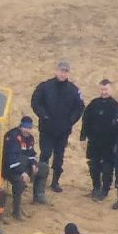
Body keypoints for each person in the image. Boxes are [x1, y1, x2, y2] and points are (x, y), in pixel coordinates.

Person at [31, 60, 84, 196]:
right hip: (47, 129)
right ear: (56, 71)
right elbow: (35, 101)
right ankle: (40, 182)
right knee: (45, 154)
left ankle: (55, 181)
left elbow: (79, 108)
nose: (62, 73)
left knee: (59, 156)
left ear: (68, 73)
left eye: (65, 71)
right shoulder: (45, 86)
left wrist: (70, 121)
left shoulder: (73, 90)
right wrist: (44, 115)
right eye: (61, 70)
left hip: (63, 130)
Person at [80, 79, 118, 201]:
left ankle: (105, 190)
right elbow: (85, 121)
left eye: (106, 89)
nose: (104, 92)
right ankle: (96, 187)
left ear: (111, 89)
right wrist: (83, 137)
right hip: (94, 141)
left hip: (109, 142)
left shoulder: (116, 106)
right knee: (93, 165)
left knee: (107, 167)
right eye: (102, 89)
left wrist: (117, 143)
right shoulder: (94, 103)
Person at [2, 117, 41, 220]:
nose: (27, 130)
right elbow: (11, 159)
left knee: (43, 168)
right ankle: (16, 210)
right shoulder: (13, 136)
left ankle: (38, 196)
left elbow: (31, 153)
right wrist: (22, 172)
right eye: (25, 127)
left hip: (24, 166)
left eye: (29, 128)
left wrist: (33, 163)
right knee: (19, 182)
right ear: (20, 126)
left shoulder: (30, 138)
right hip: (10, 168)